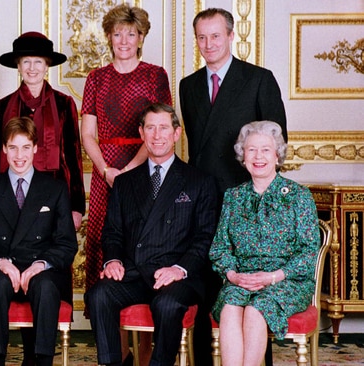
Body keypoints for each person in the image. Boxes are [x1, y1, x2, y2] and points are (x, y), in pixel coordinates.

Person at [178, 8, 288, 364]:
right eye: (201, 37)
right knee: (206, 285)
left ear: (230, 36)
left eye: (215, 35)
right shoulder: (189, 85)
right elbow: (196, 148)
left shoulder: (258, 79)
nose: (208, 44)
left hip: (249, 204)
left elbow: (275, 144)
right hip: (202, 201)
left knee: (252, 289)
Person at [85, 103, 218, 366]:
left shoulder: (200, 181)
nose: (157, 136)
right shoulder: (125, 182)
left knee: (167, 305)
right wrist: (112, 260)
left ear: (177, 134)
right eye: (150, 128)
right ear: (141, 134)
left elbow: (205, 237)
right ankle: (113, 363)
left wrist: (179, 269)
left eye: (164, 128)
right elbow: (112, 232)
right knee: (99, 294)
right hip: (136, 272)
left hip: (179, 276)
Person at [80, 4, 171, 362]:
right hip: (106, 175)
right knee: (108, 250)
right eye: (117, 33)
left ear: (141, 38)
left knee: (144, 247)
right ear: (108, 37)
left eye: (130, 33)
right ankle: (115, 351)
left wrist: (131, 169)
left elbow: (161, 129)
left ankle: (146, 352)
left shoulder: (154, 75)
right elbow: (88, 133)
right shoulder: (97, 78)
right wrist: (104, 170)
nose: (123, 40)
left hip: (145, 168)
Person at [0, 117, 78, 366]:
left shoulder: (55, 189)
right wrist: (2, 262)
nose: (20, 155)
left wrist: (41, 264)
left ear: (36, 148)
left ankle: (41, 361)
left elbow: (67, 244)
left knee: (45, 285)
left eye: (26, 147)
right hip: (1, 269)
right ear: (4, 149)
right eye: (13, 147)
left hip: (42, 269)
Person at [209, 121, 319, 366]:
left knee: (258, 308)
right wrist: (233, 275)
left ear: (278, 154)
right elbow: (220, 248)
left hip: (287, 282)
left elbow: (309, 252)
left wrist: (273, 277)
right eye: (251, 150)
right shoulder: (233, 197)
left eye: (266, 150)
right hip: (242, 278)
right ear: (243, 155)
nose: (258, 156)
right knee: (230, 306)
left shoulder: (299, 196)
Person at [0, 31, 85, 230]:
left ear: (47, 65)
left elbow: (73, 155)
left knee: (53, 254)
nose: (32, 68)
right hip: (13, 191)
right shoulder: (3, 105)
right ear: (18, 66)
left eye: (38, 62)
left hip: (56, 191)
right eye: (26, 62)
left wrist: (76, 207)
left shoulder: (64, 103)